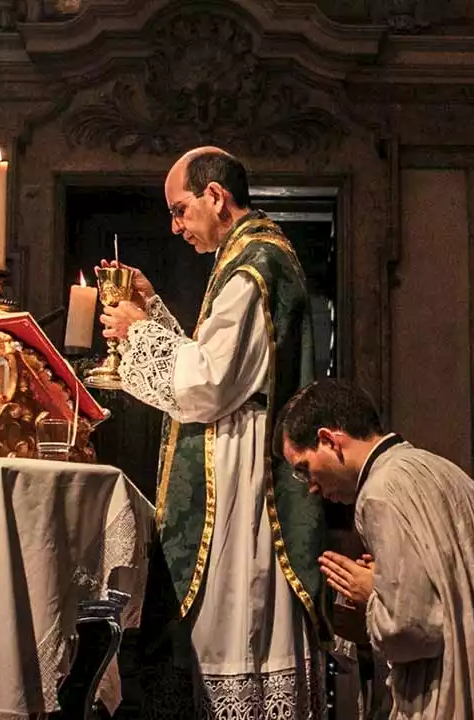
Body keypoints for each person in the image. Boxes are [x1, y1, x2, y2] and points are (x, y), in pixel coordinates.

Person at [99, 147, 329, 718]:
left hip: (244, 466)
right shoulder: (249, 256)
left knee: (241, 624)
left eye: (180, 210)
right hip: (233, 446)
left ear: (216, 197)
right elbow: (217, 360)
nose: (175, 227)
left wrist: (137, 332)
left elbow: (210, 383)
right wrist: (151, 312)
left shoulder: (255, 262)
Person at [276, 379, 474, 719]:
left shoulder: (379, 494)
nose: (312, 488)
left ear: (329, 440)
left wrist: (371, 596)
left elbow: (414, 627)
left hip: (450, 695)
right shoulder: (441, 470)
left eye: (305, 469)